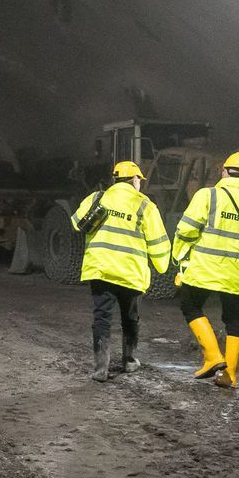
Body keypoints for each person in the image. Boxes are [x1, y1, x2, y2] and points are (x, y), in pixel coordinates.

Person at [170, 150, 239, 389]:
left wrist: (179, 259)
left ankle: (213, 357)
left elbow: (186, 230)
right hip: (238, 274)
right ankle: (231, 376)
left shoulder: (208, 195)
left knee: (190, 305)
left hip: (205, 269)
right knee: (234, 318)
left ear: (224, 171)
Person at [70, 160, 173, 382]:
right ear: (135, 180)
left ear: (115, 179)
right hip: (130, 273)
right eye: (139, 180)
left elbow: (77, 223)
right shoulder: (145, 205)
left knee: (102, 317)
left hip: (100, 269)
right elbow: (158, 241)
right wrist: (162, 266)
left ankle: (101, 368)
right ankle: (128, 361)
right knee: (130, 318)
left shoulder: (97, 198)